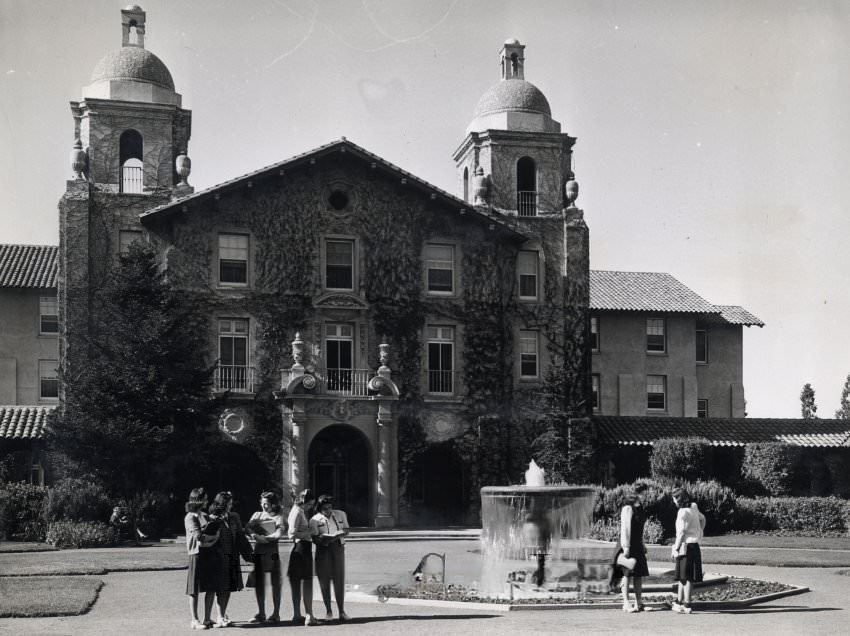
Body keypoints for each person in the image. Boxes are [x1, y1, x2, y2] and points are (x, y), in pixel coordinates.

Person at [207, 491, 249, 628]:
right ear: (222, 504)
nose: (230, 506)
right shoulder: (212, 517)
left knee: (230, 587)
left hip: (232, 555)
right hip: (218, 556)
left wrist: (248, 553)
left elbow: (240, 535)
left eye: (231, 503)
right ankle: (219, 616)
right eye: (228, 503)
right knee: (221, 587)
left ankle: (223, 614)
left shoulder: (234, 517)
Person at [610, 483, 650, 612]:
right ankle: (626, 603)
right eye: (644, 493)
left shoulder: (641, 508)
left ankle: (639, 603)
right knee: (627, 574)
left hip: (637, 544)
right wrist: (626, 547)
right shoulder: (628, 508)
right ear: (638, 493)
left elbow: (640, 529)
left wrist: (642, 543)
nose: (646, 495)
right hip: (627, 544)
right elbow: (625, 529)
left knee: (638, 574)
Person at [246, 491, 285, 624]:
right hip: (259, 551)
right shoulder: (257, 515)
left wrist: (266, 538)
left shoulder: (278, 517)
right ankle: (261, 612)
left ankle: (276, 613)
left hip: (272, 551)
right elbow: (248, 528)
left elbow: (279, 532)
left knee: (275, 583)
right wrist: (254, 536)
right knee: (259, 583)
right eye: (262, 503)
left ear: (273, 504)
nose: (264, 507)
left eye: (267, 504)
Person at [309, 495, 350, 622]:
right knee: (324, 580)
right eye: (325, 508)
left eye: (330, 507)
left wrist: (338, 535)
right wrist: (326, 538)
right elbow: (315, 538)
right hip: (323, 549)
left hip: (338, 547)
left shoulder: (340, 514)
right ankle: (328, 611)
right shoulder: (314, 520)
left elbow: (347, 529)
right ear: (319, 508)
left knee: (339, 579)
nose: (328, 510)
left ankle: (342, 611)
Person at [184, 487, 219, 630]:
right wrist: (213, 538)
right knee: (194, 588)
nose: (207, 500)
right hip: (197, 554)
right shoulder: (190, 517)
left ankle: (207, 618)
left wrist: (212, 536)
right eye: (205, 498)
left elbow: (210, 532)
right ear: (198, 499)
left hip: (208, 553)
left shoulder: (204, 515)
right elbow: (199, 536)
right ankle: (194, 620)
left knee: (211, 586)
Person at [670, 487, 706, 614]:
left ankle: (687, 604)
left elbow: (681, 532)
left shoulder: (682, 512)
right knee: (683, 576)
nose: (673, 501)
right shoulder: (694, 506)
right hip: (694, 545)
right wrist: (700, 532)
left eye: (674, 498)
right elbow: (703, 519)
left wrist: (675, 549)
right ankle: (679, 602)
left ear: (679, 499)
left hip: (685, 546)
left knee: (686, 576)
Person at [287, 489, 319, 626]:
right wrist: (311, 531)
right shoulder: (298, 511)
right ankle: (309, 615)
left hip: (299, 549)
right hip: (302, 548)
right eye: (310, 504)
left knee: (296, 582)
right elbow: (291, 533)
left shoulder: (297, 510)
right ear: (304, 501)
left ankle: (297, 614)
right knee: (307, 582)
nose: (310, 507)